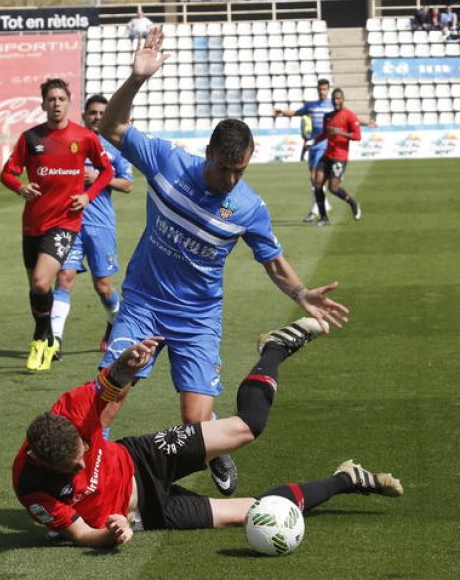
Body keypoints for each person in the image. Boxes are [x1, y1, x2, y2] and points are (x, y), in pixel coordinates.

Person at [97, 27, 350, 496]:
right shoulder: (169, 162)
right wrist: (135, 80)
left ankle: (210, 438)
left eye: (241, 170)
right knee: (111, 392)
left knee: (194, 425)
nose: (232, 179)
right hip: (144, 302)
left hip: (198, 317)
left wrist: (300, 293)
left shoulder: (249, 207)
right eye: (225, 168)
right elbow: (110, 128)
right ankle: (90, 475)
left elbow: (271, 259)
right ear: (208, 154)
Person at [13, 318, 402, 547]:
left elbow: (110, 382)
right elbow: (80, 534)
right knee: (258, 513)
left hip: (142, 457)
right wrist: (112, 533)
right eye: (72, 467)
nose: (82, 463)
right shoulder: (31, 485)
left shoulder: (70, 413)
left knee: (248, 427)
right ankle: (347, 479)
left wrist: (126, 364)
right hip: (145, 512)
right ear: (42, 461)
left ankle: (275, 348)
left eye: (84, 452)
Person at [0, 79, 114, 372]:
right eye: (51, 99)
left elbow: (106, 171)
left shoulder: (84, 137)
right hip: (33, 223)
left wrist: (88, 196)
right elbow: (7, 173)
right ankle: (48, 336)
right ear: (43, 104)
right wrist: (20, 188)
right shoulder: (30, 138)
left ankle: (42, 336)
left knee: (42, 280)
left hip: (65, 222)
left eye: (61, 98)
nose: (56, 104)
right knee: (36, 288)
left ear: (68, 102)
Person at [50, 94, 134, 359]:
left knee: (103, 286)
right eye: (93, 113)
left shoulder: (115, 147)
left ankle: (114, 323)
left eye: (101, 113)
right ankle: (54, 340)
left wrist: (100, 178)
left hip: (101, 225)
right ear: (85, 115)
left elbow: (128, 184)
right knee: (64, 278)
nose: (97, 117)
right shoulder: (70, 141)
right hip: (70, 221)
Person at [274, 79, 336, 222]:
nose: (322, 92)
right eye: (320, 89)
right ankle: (323, 205)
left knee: (318, 178)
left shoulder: (333, 106)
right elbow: (296, 113)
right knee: (313, 178)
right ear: (318, 89)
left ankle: (316, 209)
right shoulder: (311, 106)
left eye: (325, 89)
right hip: (314, 145)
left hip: (326, 145)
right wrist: (283, 112)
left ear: (328, 90)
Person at [309, 89, 362, 226]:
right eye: (334, 99)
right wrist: (313, 141)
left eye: (338, 99)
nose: (336, 101)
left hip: (340, 157)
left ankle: (353, 202)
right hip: (327, 155)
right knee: (318, 184)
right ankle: (324, 218)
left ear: (343, 99)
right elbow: (325, 134)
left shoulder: (350, 116)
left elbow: (357, 136)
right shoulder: (328, 116)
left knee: (333, 188)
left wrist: (341, 132)